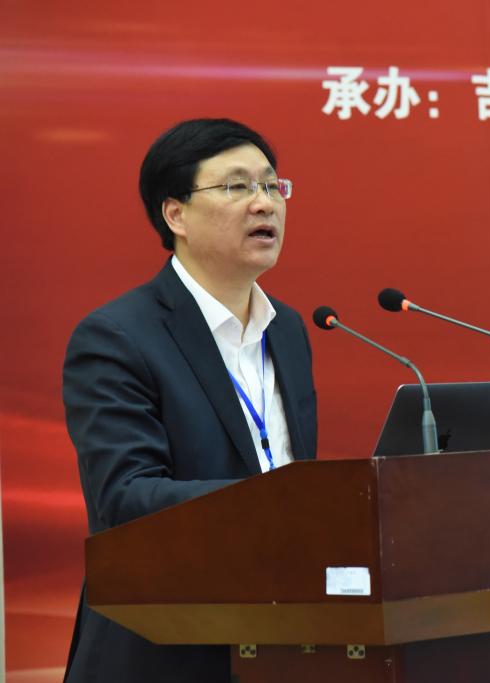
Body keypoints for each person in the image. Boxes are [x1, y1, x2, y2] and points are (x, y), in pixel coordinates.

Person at [62, 118, 317, 682]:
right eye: (237, 186)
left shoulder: (289, 330)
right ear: (175, 214)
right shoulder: (117, 337)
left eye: (271, 185)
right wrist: (281, 502)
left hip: (276, 641)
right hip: (164, 646)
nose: (264, 203)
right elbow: (125, 497)